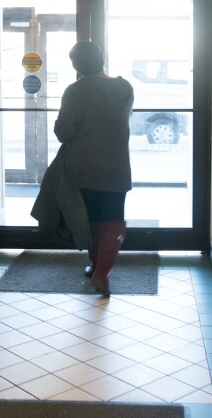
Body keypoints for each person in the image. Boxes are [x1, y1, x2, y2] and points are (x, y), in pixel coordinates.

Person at [54, 41, 134, 297]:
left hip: (84, 166)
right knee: (113, 219)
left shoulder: (75, 91)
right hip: (117, 165)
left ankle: (96, 267)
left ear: (77, 65)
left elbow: (63, 132)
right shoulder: (125, 88)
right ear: (102, 60)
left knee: (90, 220)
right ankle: (102, 273)